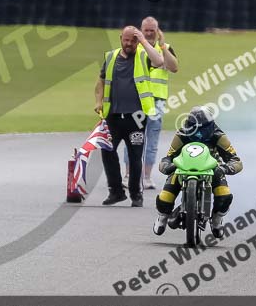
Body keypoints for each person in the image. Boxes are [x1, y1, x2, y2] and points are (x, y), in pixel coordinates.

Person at [94, 26, 164, 207]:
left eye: (133, 41)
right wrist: (98, 101)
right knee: (107, 152)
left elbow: (159, 61)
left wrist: (143, 40)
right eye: (126, 40)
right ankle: (116, 191)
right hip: (113, 116)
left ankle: (136, 194)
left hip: (136, 118)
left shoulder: (143, 55)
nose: (129, 44)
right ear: (120, 39)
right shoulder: (110, 57)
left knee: (135, 156)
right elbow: (101, 81)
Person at [153, 105, 242, 238]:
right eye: (194, 126)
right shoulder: (182, 134)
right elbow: (168, 157)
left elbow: (235, 160)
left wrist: (225, 168)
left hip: (211, 169)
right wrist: (166, 166)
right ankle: (162, 217)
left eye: (202, 127)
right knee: (165, 196)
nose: (199, 132)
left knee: (224, 196)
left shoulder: (218, 135)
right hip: (183, 168)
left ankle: (217, 219)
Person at [124, 17, 179, 190]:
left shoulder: (165, 48)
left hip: (157, 102)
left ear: (158, 30)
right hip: (136, 99)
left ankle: (146, 177)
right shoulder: (136, 48)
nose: (149, 33)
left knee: (152, 140)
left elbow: (174, 67)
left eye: (152, 30)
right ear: (141, 30)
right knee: (133, 138)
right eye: (146, 30)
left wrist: (162, 46)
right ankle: (128, 175)